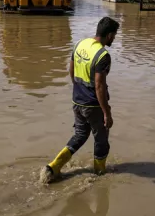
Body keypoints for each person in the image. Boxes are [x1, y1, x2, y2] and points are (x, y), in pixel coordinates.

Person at [40, 16, 120, 184]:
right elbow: (99, 86)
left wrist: (78, 90)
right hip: (93, 105)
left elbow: (71, 69)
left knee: (80, 135)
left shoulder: (80, 44)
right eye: (115, 35)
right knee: (101, 140)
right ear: (110, 35)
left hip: (77, 101)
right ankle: (100, 174)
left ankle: (53, 167)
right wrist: (106, 113)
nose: (115, 38)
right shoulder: (103, 55)